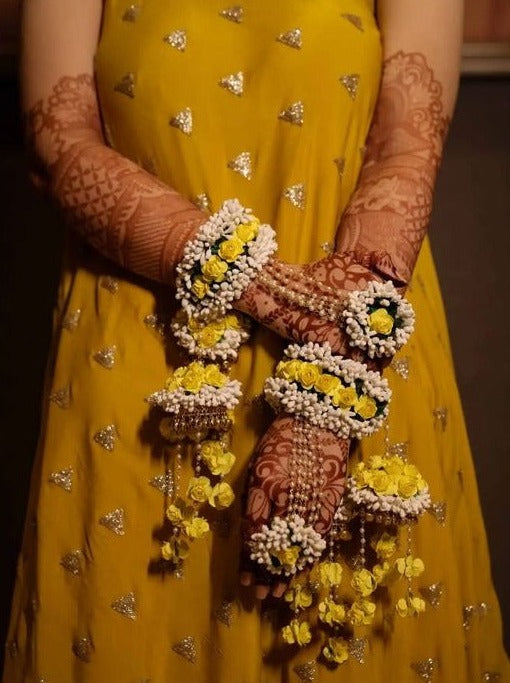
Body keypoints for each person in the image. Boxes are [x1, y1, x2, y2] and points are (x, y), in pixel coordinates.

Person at [3, 0, 509, 681]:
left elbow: (409, 142)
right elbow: (57, 140)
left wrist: (326, 400)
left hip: (364, 350)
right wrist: (279, 296)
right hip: (146, 372)